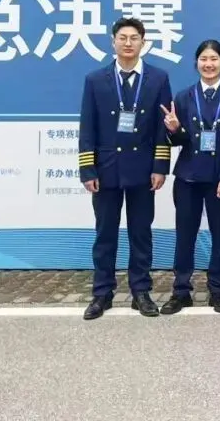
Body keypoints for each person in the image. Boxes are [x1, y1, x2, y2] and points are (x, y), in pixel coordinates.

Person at [78, 17, 173, 320]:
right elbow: (87, 127)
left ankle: (141, 291)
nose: (128, 43)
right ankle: (102, 293)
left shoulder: (158, 78)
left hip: (143, 170)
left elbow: (162, 128)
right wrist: (88, 170)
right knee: (105, 234)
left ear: (143, 42)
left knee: (141, 233)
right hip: (106, 170)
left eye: (134, 38)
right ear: (113, 41)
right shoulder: (95, 79)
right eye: (123, 37)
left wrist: (160, 167)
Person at [160, 39, 220, 315]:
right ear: (196, 63)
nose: (208, 64)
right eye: (203, 59)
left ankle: (218, 291)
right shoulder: (183, 97)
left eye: (214, 59)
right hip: (188, 177)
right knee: (185, 235)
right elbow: (178, 141)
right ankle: (180, 291)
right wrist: (174, 129)